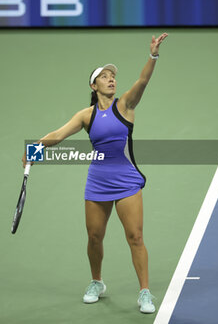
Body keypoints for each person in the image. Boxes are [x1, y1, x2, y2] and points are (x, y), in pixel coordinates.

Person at [22, 32, 168, 314]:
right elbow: (58, 134)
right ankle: (97, 282)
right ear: (94, 84)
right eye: (105, 76)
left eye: (113, 76)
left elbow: (143, 81)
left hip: (126, 181)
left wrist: (153, 55)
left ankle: (145, 292)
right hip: (98, 182)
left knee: (135, 236)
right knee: (94, 237)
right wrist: (35, 151)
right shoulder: (86, 115)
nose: (111, 79)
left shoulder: (124, 105)